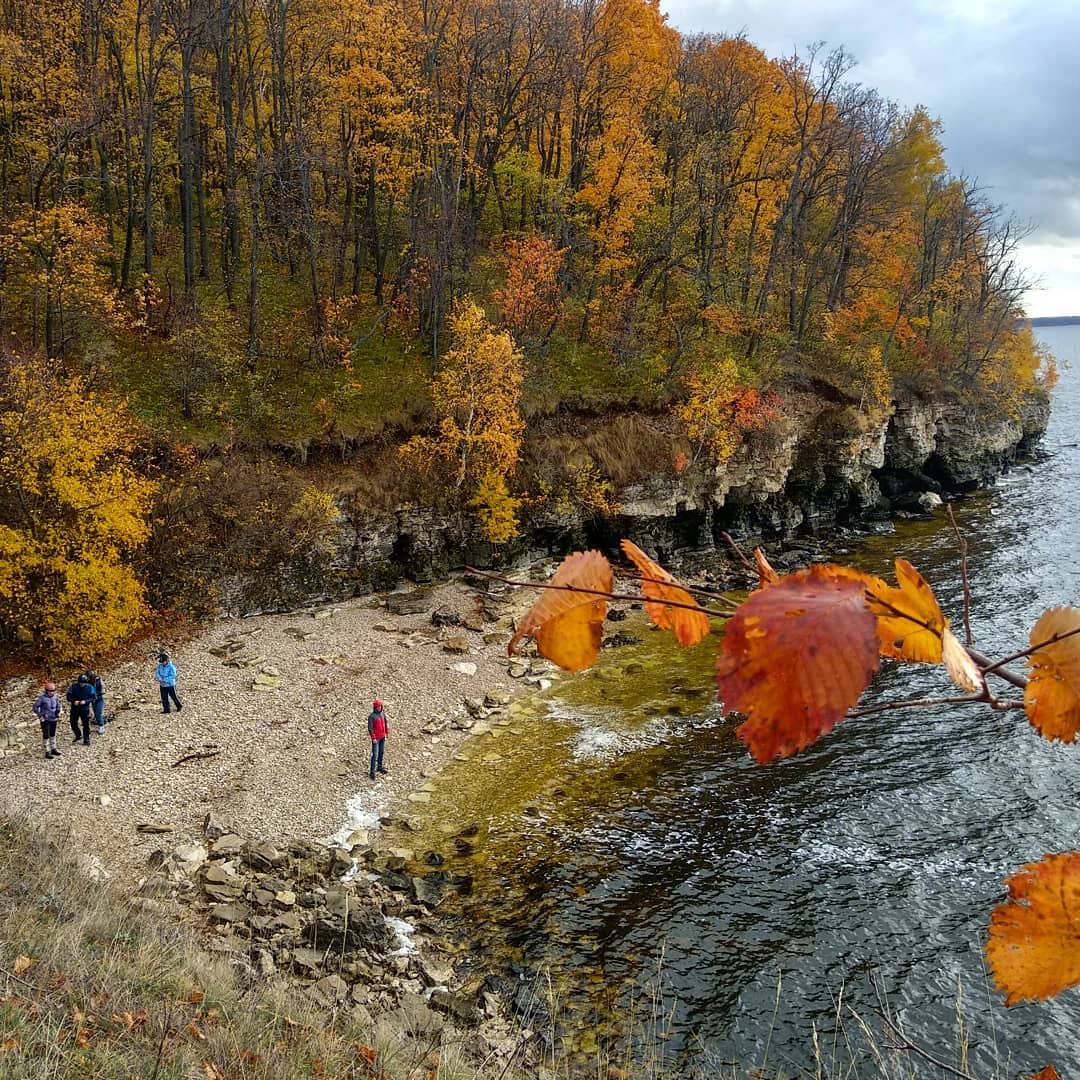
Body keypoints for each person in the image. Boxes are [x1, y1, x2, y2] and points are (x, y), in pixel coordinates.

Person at [32, 681, 63, 760]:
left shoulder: (55, 697)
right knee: (46, 734)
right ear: (46, 691)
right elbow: (35, 707)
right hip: (45, 719)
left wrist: (58, 711)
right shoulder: (42, 698)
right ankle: (47, 751)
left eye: (53, 690)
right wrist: (40, 715)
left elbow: (58, 704)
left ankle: (53, 748)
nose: (52, 692)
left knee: (53, 733)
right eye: (50, 691)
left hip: (54, 718)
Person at [66, 673, 96, 746]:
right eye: (80, 683)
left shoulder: (90, 687)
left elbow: (93, 697)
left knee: (86, 724)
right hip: (75, 708)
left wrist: (86, 701)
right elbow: (68, 697)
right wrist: (73, 701)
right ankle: (78, 734)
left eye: (83, 683)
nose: (82, 684)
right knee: (73, 723)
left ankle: (86, 739)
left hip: (85, 709)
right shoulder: (73, 686)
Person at [368, 699, 389, 780]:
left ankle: (379, 767)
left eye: (380, 706)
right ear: (375, 707)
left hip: (382, 736)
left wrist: (387, 732)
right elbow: (370, 729)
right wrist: (373, 738)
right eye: (378, 707)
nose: (379, 708)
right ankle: (372, 772)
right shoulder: (371, 717)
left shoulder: (382, 714)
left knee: (381, 752)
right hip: (376, 738)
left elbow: (385, 722)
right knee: (375, 755)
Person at [84, 669, 105, 734]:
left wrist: (97, 694)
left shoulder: (98, 681)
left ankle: (101, 726)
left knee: (98, 712)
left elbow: (103, 690)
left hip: (99, 699)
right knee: (94, 713)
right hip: (92, 700)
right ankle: (89, 726)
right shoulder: (87, 683)